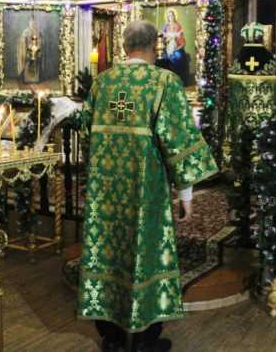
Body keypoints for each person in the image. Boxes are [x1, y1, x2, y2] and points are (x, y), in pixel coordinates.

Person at [78, 21, 218, 352]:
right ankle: (143, 340)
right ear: (154, 46)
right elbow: (179, 141)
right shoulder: (164, 82)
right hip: (147, 193)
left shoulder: (102, 83)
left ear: (124, 46)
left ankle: (111, 336)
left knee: (107, 253)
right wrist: (186, 194)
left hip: (104, 194)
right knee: (148, 255)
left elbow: (85, 135)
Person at [162, 9, 191, 86]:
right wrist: (167, 40)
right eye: (168, 16)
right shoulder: (165, 26)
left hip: (177, 47)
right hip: (167, 47)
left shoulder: (178, 26)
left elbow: (181, 41)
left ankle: (178, 81)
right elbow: (163, 39)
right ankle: (166, 83)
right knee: (164, 58)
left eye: (171, 15)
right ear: (167, 17)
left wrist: (176, 48)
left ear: (174, 16)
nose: (170, 17)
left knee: (178, 57)